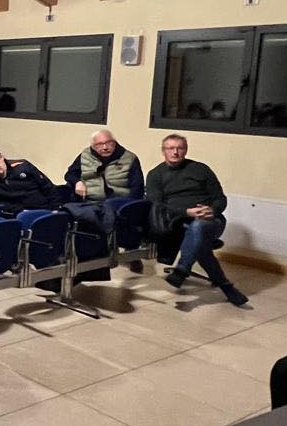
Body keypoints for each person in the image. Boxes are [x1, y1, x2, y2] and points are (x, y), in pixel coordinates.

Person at [145, 135, 247, 307]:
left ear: (186, 150)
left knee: (199, 226)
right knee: (201, 245)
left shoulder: (201, 169)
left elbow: (220, 198)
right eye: (170, 148)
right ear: (163, 151)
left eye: (180, 148)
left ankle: (182, 269)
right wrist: (186, 212)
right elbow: (157, 205)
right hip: (178, 223)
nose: (175, 152)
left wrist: (212, 210)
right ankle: (226, 287)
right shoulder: (156, 175)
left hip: (211, 221)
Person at [64, 129, 144, 219]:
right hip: (89, 203)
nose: (105, 147)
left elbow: (137, 187)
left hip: (118, 205)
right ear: (93, 146)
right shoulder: (85, 156)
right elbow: (70, 174)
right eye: (99, 144)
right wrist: (77, 182)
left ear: (115, 143)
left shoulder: (129, 158)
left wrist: (129, 207)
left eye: (109, 143)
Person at [0, 151, 59, 216]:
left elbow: (48, 187)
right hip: (18, 215)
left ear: (1, 157)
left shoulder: (23, 167)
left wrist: (55, 208)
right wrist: (19, 211)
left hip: (46, 209)